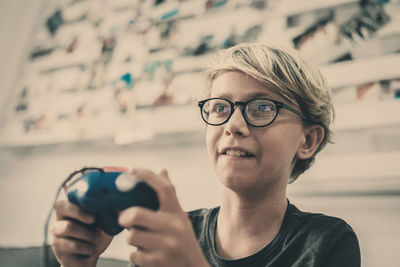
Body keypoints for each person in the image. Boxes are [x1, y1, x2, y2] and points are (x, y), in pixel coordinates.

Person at [50, 43, 361, 267]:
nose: (233, 125)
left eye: (263, 107)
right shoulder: (173, 233)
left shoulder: (327, 243)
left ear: (307, 139)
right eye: (220, 108)